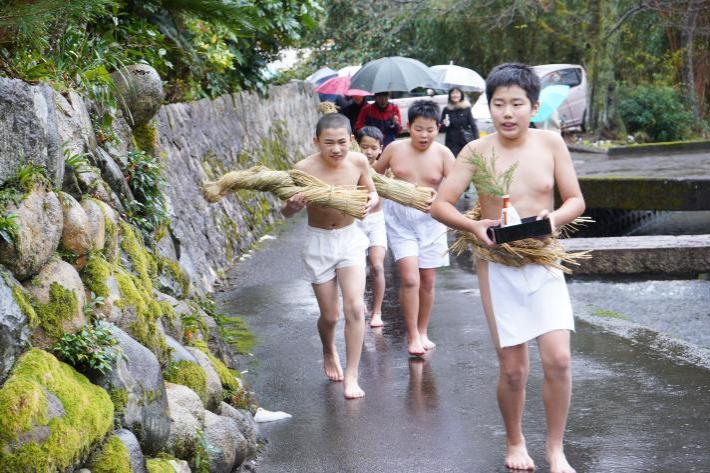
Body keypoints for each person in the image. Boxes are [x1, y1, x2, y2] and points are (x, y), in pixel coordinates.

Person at [430, 63, 585, 473]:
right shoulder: (476, 151)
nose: (508, 113)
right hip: (497, 265)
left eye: (517, 104)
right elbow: (440, 205)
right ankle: (515, 441)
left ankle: (556, 449)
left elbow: (575, 200)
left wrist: (552, 221)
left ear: (533, 106)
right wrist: (473, 224)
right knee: (514, 369)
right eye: (499, 104)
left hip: (544, 260)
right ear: (489, 108)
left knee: (559, 360)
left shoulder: (551, 143)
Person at [281, 113, 379, 399]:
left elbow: (373, 195)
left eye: (341, 142)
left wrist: (371, 202)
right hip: (319, 242)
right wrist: (293, 205)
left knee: (355, 308)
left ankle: (352, 375)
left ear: (351, 140)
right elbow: (285, 213)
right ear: (316, 142)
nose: (336, 149)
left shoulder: (359, 161)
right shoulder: (302, 169)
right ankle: (328, 349)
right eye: (328, 143)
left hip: (350, 238)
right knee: (330, 316)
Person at [373, 100, 455, 356]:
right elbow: (372, 177)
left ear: (438, 128)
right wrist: (385, 190)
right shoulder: (394, 149)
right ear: (409, 127)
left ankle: (423, 330)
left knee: (428, 281)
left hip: (432, 220)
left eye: (430, 129)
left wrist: (439, 200)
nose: (424, 135)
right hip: (399, 219)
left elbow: (454, 188)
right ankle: (411, 335)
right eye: (419, 129)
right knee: (410, 279)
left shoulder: (444, 154)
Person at [356, 126, 387, 327]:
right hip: (354, 222)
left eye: (373, 147)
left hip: (376, 221)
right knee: (358, 268)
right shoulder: (350, 167)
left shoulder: (384, 171)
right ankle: (358, 301)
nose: (368, 151)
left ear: (380, 149)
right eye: (364, 146)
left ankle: (377, 312)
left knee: (376, 266)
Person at [440, 87, 479, 157]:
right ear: (450, 95)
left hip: (465, 140)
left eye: (457, 93)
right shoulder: (446, 109)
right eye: (453, 93)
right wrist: (445, 124)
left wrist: (477, 140)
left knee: (466, 161)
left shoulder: (466, 108)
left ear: (461, 95)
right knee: (453, 161)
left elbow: (473, 125)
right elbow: (440, 129)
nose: (455, 95)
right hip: (451, 142)